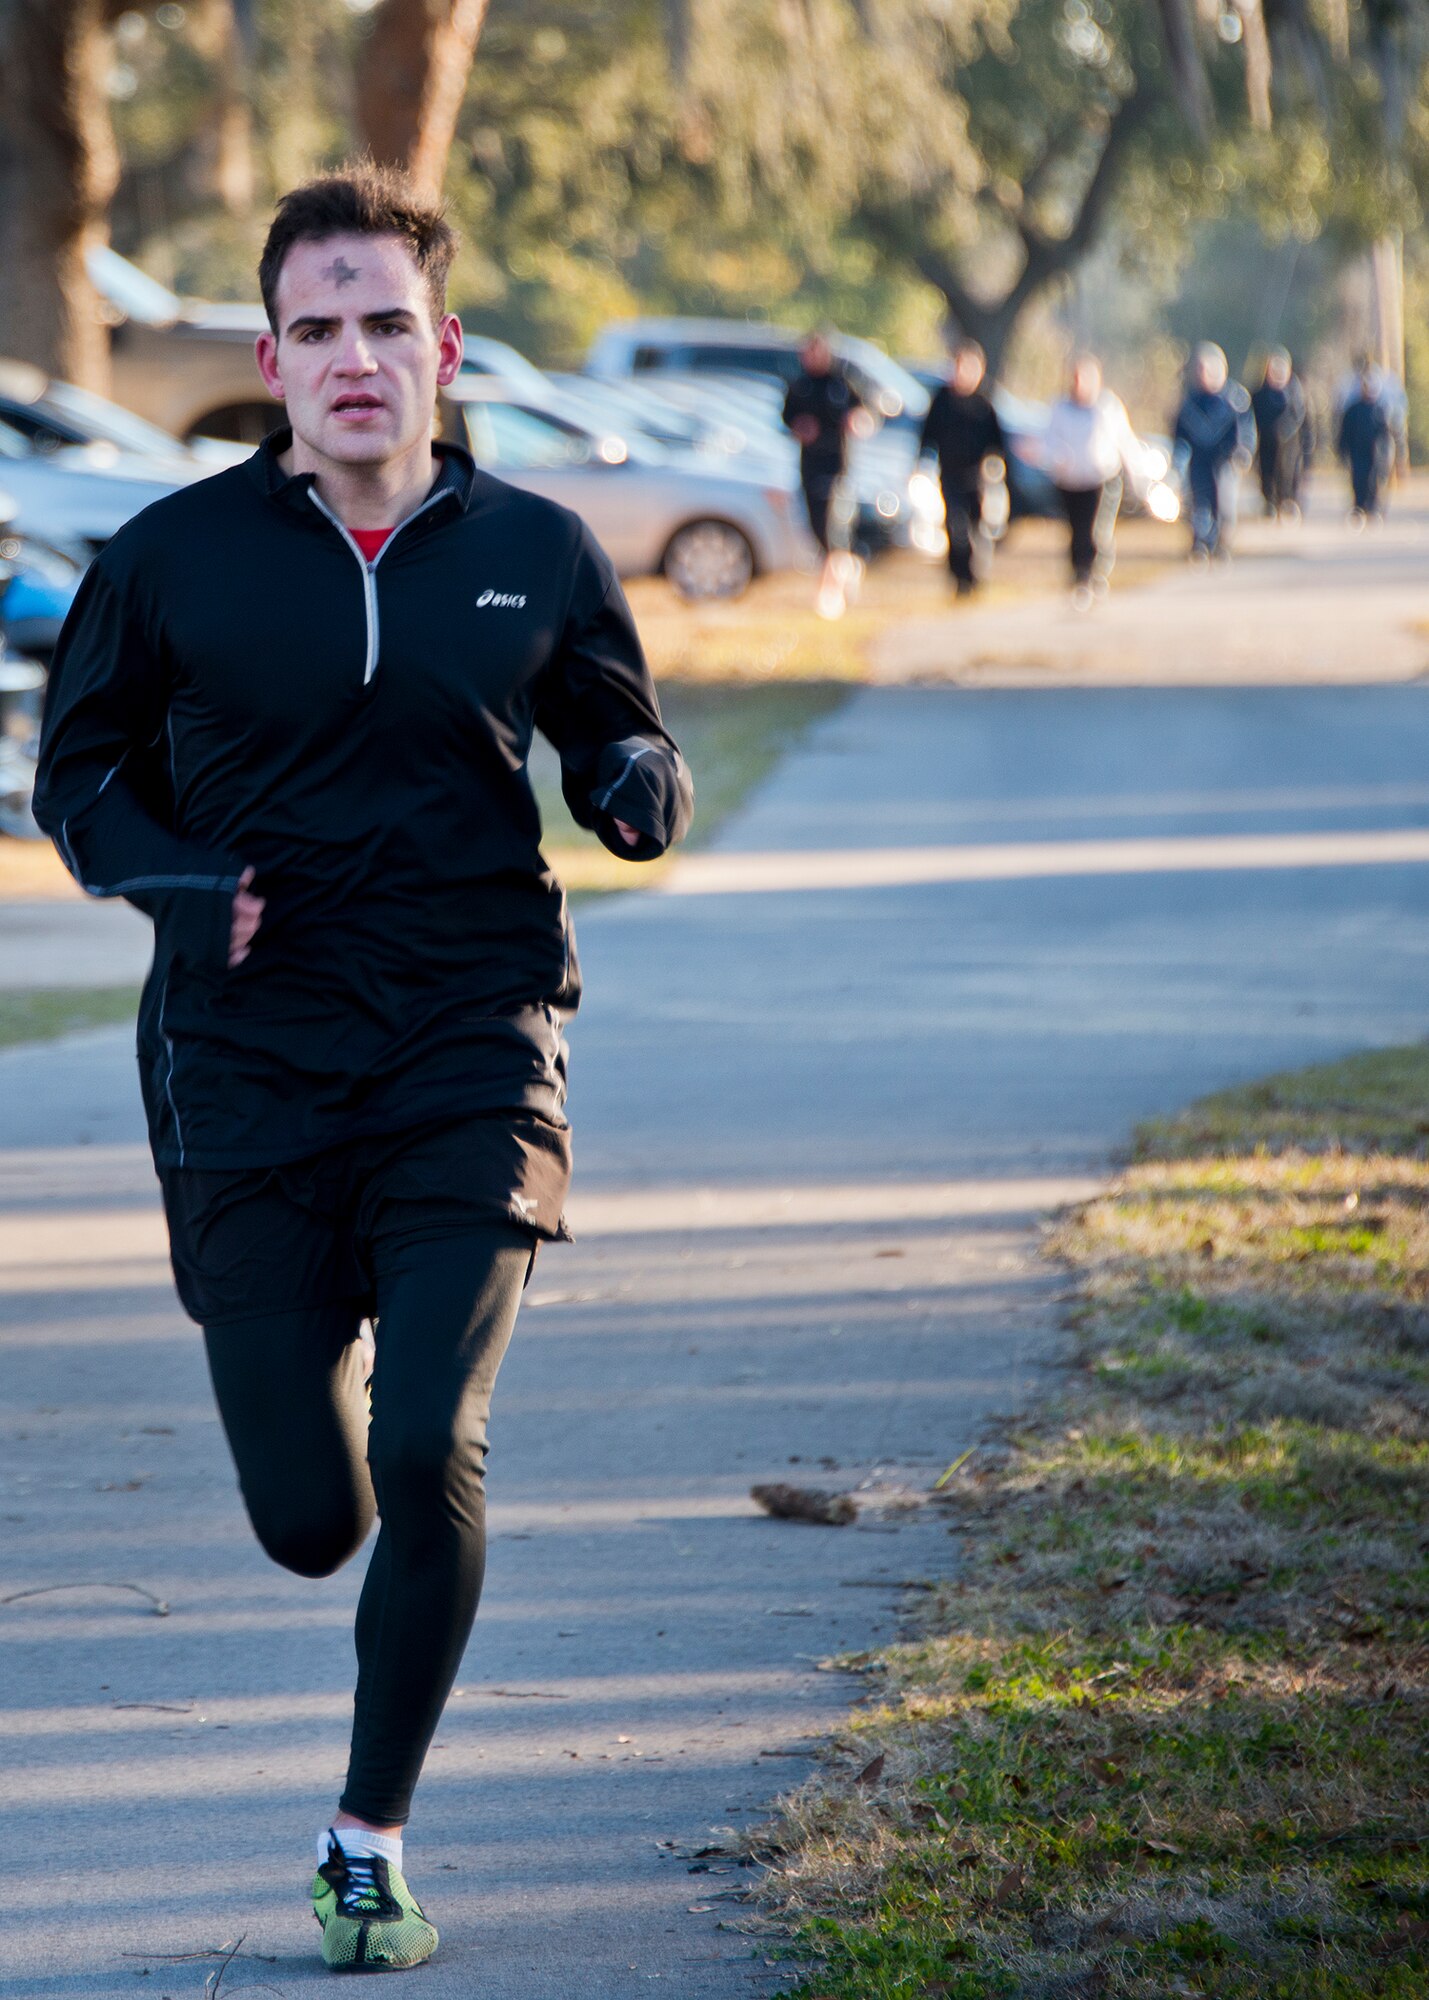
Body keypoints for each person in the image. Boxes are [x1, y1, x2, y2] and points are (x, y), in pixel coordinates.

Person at [33, 164, 692, 1976]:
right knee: (311, 1522)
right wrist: (171, 886)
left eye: (382, 324)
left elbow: (621, 735)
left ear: (442, 348)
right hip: (245, 1069)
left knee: (430, 1441)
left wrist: (634, 790)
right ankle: (303, 1386)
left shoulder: (536, 550)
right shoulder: (171, 558)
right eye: (314, 329)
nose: (350, 359)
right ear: (271, 355)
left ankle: (366, 1834)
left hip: (468, 1044)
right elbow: (76, 778)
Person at [1040, 353, 1147, 608]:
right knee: (1076, 532)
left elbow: (1125, 442)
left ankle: (1094, 574)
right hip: (1070, 481)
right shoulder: (1060, 408)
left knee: (1097, 531)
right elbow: (1049, 442)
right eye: (1076, 378)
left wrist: (1139, 479)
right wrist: (1056, 459)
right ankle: (1079, 576)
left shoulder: (1107, 407)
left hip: (1102, 479)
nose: (1081, 384)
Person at [781, 332, 866, 618]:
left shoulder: (841, 383)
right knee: (817, 527)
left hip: (837, 467)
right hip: (809, 466)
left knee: (833, 529)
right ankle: (847, 568)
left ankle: (828, 591)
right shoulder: (799, 386)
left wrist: (855, 423)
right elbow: (786, 420)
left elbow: (864, 415)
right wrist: (799, 428)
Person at [916, 339, 1007, 596]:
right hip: (950, 474)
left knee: (978, 528)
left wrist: (998, 471)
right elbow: (927, 436)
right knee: (956, 528)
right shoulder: (942, 401)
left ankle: (975, 575)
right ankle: (959, 579)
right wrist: (922, 464)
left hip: (977, 477)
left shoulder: (984, 404)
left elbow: (998, 444)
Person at [1172, 342, 1255, 561]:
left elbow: (1246, 431)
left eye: (1209, 369)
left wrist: (1244, 451)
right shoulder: (1190, 402)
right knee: (1199, 503)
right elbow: (1179, 434)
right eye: (1199, 370)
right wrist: (1178, 458)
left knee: (1225, 504)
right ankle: (1200, 543)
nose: (1204, 375)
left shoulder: (1235, 400)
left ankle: (1222, 543)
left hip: (1225, 462)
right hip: (1199, 461)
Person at [1250, 348, 1311, 518]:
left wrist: (1307, 449)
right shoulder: (1259, 395)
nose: (1277, 374)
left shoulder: (1296, 395)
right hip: (1266, 444)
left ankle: (1288, 502)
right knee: (1267, 473)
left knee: (1290, 473)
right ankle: (1270, 503)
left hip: (1291, 446)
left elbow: (1306, 424)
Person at [1337, 361, 1395, 522]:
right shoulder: (1353, 409)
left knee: (1375, 481)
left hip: (1375, 454)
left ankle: (1373, 507)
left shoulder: (1381, 410)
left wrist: (1385, 453)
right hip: (1357, 453)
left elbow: (1386, 435)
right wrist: (1343, 450)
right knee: (1358, 480)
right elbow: (1345, 433)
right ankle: (1359, 507)